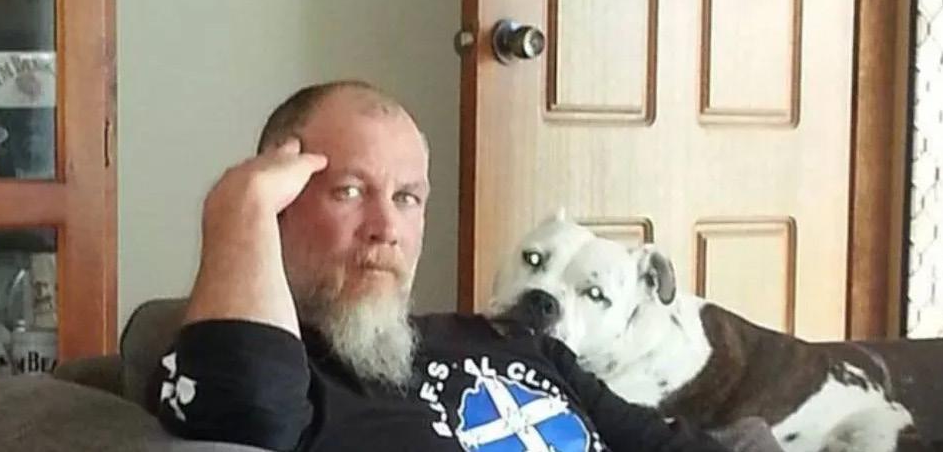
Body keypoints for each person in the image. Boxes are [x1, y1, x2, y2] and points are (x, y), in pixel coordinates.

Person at [150, 80, 734, 451]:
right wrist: (239, 208)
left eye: (407, 198)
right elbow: (244, 420)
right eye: (349, 191)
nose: (386, 226)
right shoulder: (271, 375)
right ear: (279, 200)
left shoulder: (517, 344)